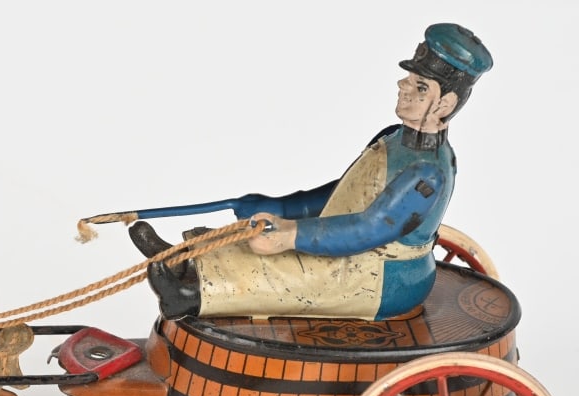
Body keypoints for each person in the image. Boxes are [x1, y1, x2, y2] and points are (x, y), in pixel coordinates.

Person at [131, 23, 493, 321]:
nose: (403, 86)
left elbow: (367, 230)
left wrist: (290, 235)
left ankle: (189, 296)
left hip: (381, 278)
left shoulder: (427, 173)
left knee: (281, 271)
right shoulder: (394, 138)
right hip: (351, 247)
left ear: (444, 104)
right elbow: (343, 192)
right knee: (248, 237)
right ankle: (181, 260)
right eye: (409, 78)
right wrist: (281, 207)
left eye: (420, 86)